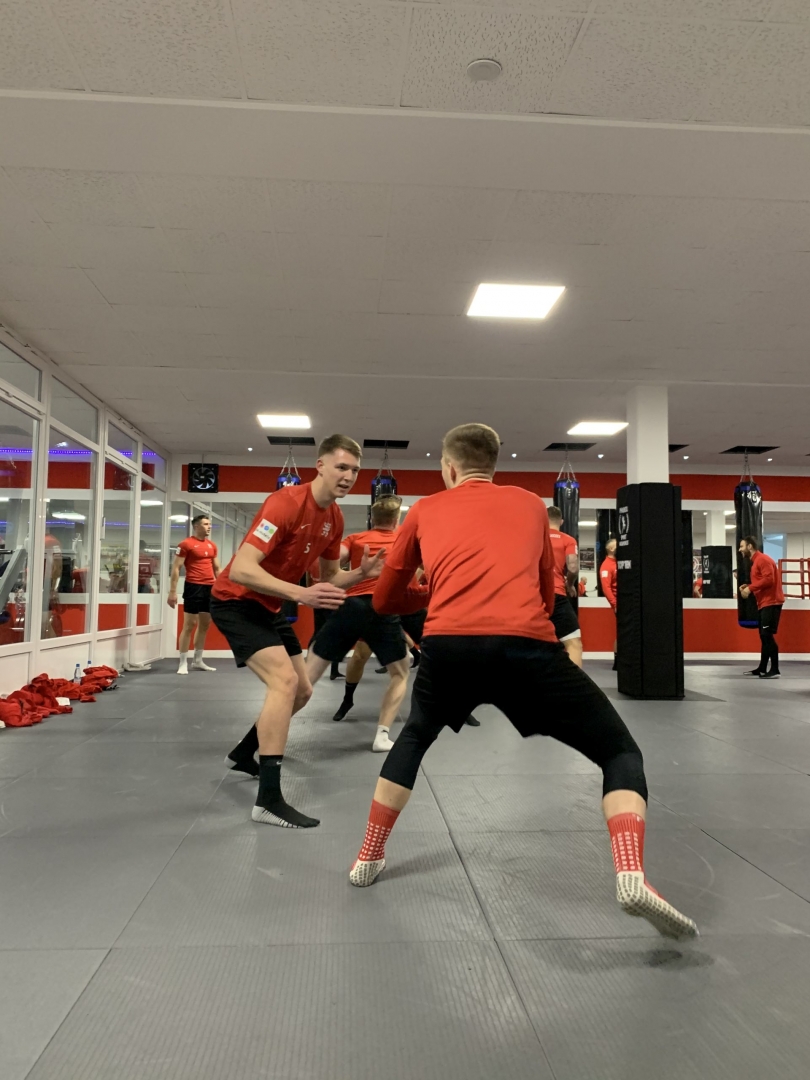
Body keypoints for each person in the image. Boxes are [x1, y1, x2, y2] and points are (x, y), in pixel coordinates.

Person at [348, 423, 697, 941]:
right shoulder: (533, 505)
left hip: (450, 647)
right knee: (619, 752)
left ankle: (368, 856)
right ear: (493, 465)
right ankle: (630, 872)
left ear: (449, 467)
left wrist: (429, 593)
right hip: (525, 646)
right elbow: (545, 594)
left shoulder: (424, 509)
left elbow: (382, 601)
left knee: (416, 735)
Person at [210, 434, 386, 828]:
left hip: (270, 606)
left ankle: (243, 753)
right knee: (284, 682)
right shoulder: (286, 503)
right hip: (235, 602)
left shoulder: (334, 518)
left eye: (355, 470)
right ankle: (267, 800)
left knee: (303, 690)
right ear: (320, 465)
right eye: (341, 467)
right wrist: (300, 594)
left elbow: (329, 578)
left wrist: (361, 573)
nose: (348, 476)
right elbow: (242, 569)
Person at [306, 495, 420, 752]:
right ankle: (381, 736)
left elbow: (328, 562)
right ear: (397, 519)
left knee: (311, 674)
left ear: (372, 518)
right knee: (400, 672)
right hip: (382, 608)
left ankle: (263, 732)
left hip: (351, 607)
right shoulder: (404, 539)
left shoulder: (355, 539)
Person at [168, 514, 219, 675]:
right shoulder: (186, 544)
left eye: (209, 524)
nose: (209, 527)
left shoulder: (212, 545)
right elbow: (176, 568)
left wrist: (222, 588)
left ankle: (197, 661)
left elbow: (217, 569)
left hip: (209, 587)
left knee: (204, 624)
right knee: (189, 625)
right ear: (196, 526)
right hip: (193, 587)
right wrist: (172, 592)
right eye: (206, 524)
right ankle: (183, 662)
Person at [739, 536, 785, 679]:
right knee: (763, 636)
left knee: (767, 635)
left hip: (771, 602)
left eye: (742, 546)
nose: (740, 549)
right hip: (764, 602)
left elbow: (769, 580)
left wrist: (750, 588)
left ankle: (775, 669)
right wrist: (749, 586)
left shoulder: (762, 559)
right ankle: (762, 668)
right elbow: (763, 580)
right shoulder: (757, 561)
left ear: (750, 546)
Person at [547, 505, 582, 668]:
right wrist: (570, 584)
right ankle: (577, 683)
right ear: (561, 521)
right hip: (556, 596)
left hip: (534, 597)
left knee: (524, 642)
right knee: (573, 643)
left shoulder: (534, 537)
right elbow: (573, 568)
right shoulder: (568, 540)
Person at [600, 538, 618, 670]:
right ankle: (617, 661)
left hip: (626, 602)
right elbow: (606, 588)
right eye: (617, 546)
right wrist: (615, 604)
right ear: (611, 549)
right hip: (618, 603)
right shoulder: (606, 566)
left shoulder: (619, 563)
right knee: (621, 633)